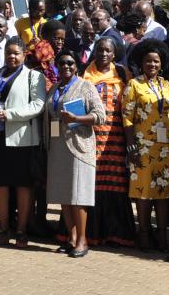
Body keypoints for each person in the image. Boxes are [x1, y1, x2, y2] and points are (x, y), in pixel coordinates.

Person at [45, 49, 106, 258]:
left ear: (76, 66)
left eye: (70, 63)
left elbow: (100, 115)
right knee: (64, 194)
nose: (66, 67)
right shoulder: (54, 87)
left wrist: (76, 119)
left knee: (79, 195)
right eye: (61, 63)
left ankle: (83, 240)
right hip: (58, 146)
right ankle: (71, 238)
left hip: (79, 146)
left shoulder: (85, 86)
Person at [0, 37, 46, 249]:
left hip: (22, 140)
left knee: (23, 186)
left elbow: (38, 105)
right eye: (8, 53)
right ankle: (3, 229)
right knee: (0, 185)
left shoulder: (34, 76)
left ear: (23, 55)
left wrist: (10, 114)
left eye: (16, 53)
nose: (11, 57)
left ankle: (21, 230)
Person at [123, 40, 169, 252]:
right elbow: (127, 117)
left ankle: (163, 234)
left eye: (156, 61)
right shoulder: (134, 85)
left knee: (164, 192)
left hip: (167, 148)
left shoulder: (168, 86)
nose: (152, 65)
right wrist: (131, 147)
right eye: (148, 61)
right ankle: (144, 233)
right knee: (143, 191)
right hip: (143, 146)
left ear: (162, 63)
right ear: (141, 62)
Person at [81, 38, 136, 247]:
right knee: (92, 184)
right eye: (100, 50)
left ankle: (116, 233)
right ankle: (91, 233)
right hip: (90, 138)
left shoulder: (122, 74)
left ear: (114, 54)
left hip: (116, 138)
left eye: (108, 51)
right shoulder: (84, 73)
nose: (103, 54)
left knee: (116, 186)